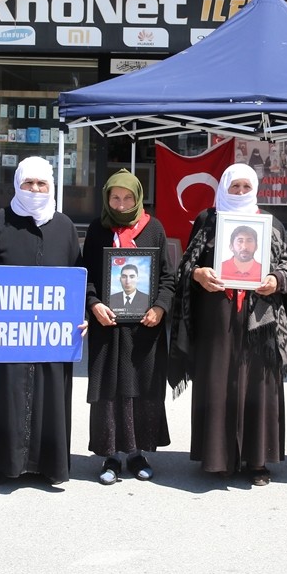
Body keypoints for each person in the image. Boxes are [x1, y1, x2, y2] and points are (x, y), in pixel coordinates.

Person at [0, 156, 87, 487]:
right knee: (5, 393)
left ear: (52, 186)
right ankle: (4, 464)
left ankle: (47, 465)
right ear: (16, 184)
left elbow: (79, 280)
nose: (34, 189)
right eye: (28, 183)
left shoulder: (65, 227)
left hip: (50, 334)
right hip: (4, 333)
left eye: (41, 184)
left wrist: (82, 314)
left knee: (48, 393)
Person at [168, 163, 287, 486]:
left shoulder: (271, 224)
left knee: (258, 383)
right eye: (234, 187)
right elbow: (186, 264)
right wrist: (198, 274)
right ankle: (218, 458)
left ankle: (257, 461)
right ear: (224, 187)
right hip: (217, 319)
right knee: (217, 381)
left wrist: (275, 279)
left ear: (254, 188)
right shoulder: (207, 220)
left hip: (260, 320)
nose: (239, 192)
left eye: (245, 187)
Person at [81, 169, 175, 485]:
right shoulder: (97, 230)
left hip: (144, 329)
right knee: (111, 390)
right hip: (108, 327)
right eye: (115, 197)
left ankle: (137, 454)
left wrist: (160, 308)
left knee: (142, 389)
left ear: (138, 198)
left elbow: (167, 278)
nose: (121, 205)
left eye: (128, 198)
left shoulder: (154, 229)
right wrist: (94, 304)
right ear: (107, 198)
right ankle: (110, 456)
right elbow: (87, 276)